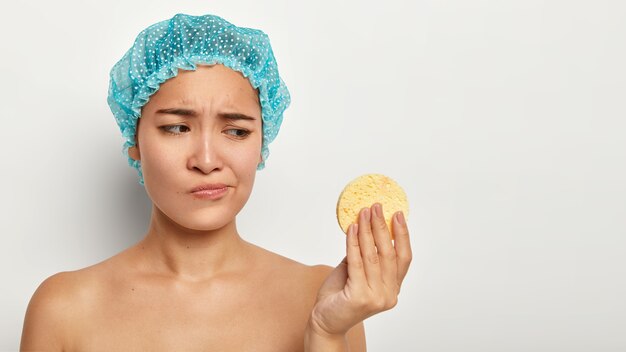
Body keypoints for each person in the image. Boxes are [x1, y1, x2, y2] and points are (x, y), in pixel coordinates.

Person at [20, 13, 412, 351]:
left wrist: (326, 333)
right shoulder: (63, 309)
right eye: (176, 127)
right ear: (134, 142)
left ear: (263, 143)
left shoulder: (324, 297)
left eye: (237, 132)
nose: (207, 161)